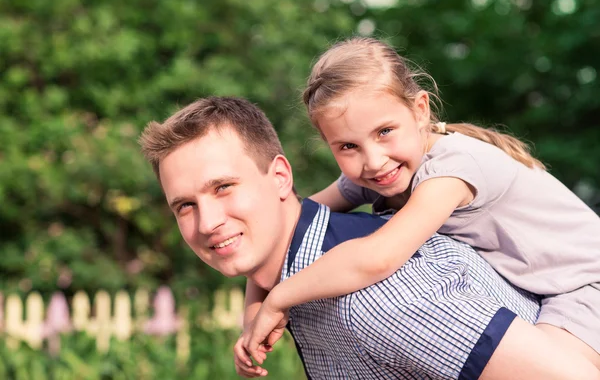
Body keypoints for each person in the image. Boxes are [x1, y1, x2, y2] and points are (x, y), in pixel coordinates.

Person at [139, 96, 599, 379]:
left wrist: (275, 299)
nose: (208, 221)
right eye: (185, 206)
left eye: (223, 187)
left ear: (280, 177)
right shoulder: (310, 263)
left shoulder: (379, 299)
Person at [241, 37, 600, 370]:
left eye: (385, 132)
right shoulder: (377, 173)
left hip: (584, 285)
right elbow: (284, 229)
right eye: (348, 147)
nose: (374, 160)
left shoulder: (450, 170)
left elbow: (378, 256)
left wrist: (279, 299)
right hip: (542, 290)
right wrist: (252, 320)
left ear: (420, 111)